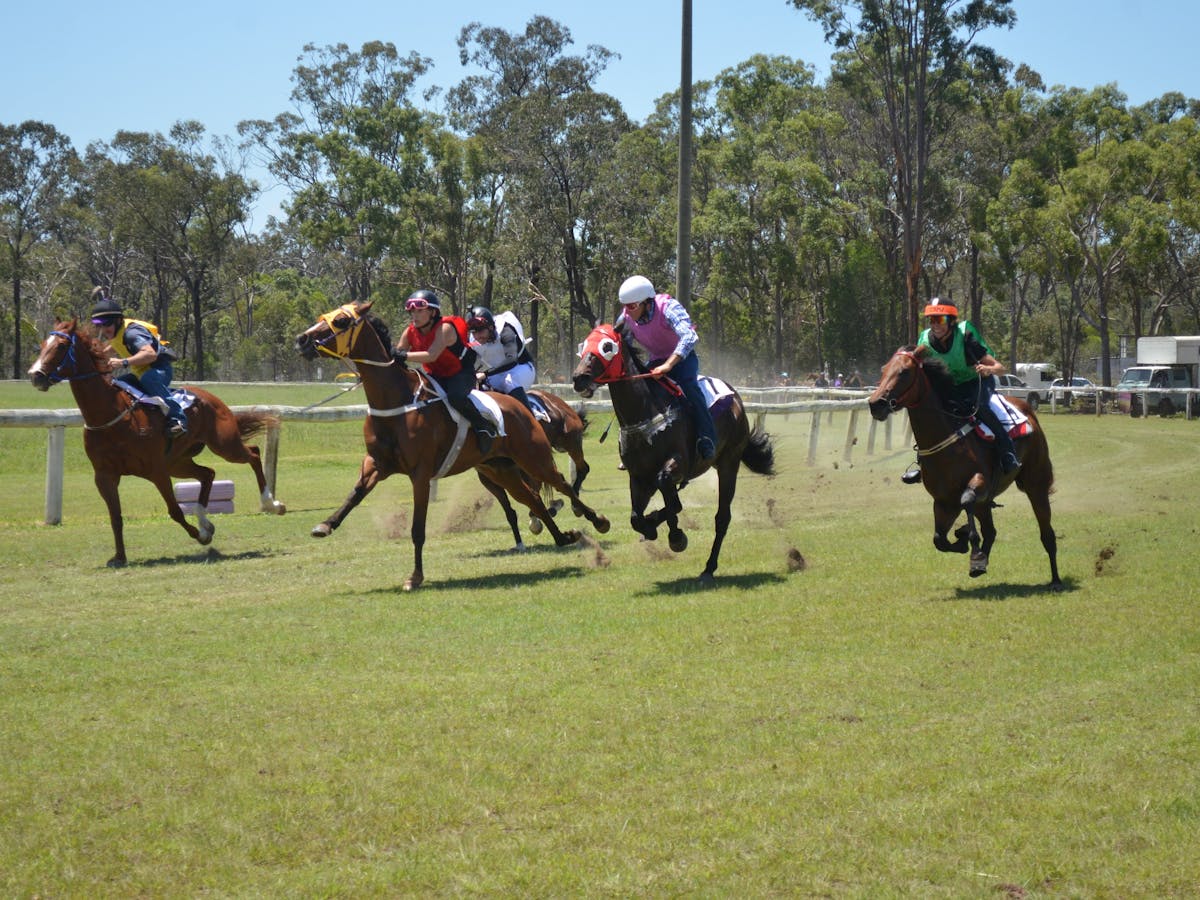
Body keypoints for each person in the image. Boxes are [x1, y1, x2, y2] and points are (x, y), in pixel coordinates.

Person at [616, 274, 717, 460]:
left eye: (631, 306)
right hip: (656, 361)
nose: (627, 311)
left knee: (690, 388)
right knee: (638, 394)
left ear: (646, 302)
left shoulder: (669, 308)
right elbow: (619, 343)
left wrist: (668, 365)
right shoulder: (626, 317)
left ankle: (706, 438)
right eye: (625, 306)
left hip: (682, 359)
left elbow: (689, 337)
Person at [918, 299, 1021, 474]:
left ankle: (1008, 452)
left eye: (940, 320)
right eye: (932, 320)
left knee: (979, 407)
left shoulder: (965, 335)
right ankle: (922, 460)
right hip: (952, 388)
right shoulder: (925, 340)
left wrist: (988, 369)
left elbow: (1000, 369)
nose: (935, 325)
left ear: (951, 321)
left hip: (978, 382)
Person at [393, 289, 496, 454]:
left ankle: (484, 427)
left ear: (433, 312)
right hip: (436, 375)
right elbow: (397, 356)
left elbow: (431, 355)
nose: (415, 315)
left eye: (420, 311)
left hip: (460, 374)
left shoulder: (445, 328)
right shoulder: (409, 331)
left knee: (455, 398)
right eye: (412, 311)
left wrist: (403, 355)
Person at [89, 289, 188, 437]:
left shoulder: (132, 333)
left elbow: (150, 354)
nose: (103, 330)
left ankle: (178, 419)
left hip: (159, 370)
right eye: (99, 325)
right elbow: (109, 350)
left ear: (117, 320)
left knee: (149, 378)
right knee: (115, 384)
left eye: (106, 324)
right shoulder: (116, 333)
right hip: (139, 373)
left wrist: (122, 362)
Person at [465, 306, 536, 412]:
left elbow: (511, 360)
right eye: (474, 332)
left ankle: (530, 419)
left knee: (509, 382)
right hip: (498, 372)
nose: (477, 337)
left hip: (521, 368)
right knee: (482, 387)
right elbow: (467, 362)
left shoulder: (506, 331)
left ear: (491, 327)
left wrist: (486, 374)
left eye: (480, 331)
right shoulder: (473, 340)